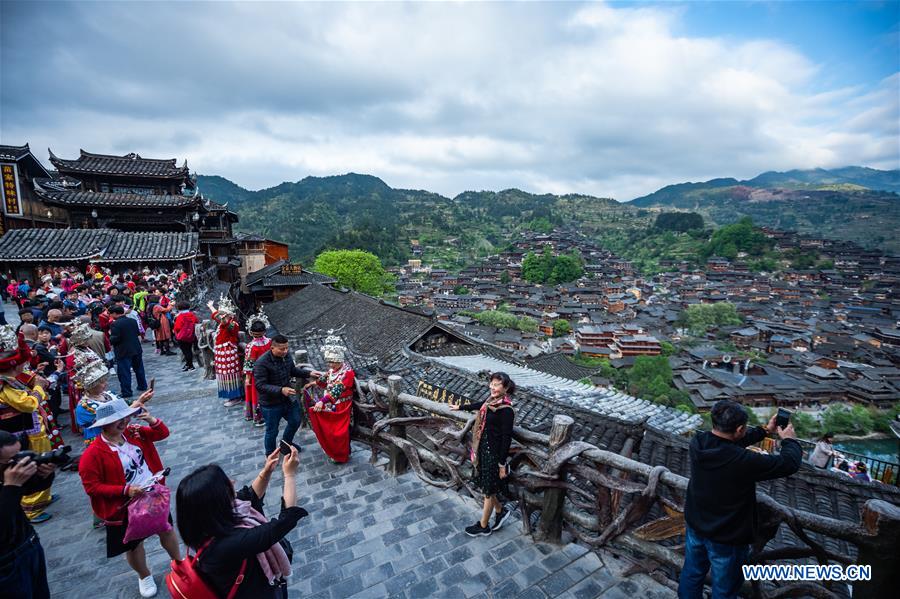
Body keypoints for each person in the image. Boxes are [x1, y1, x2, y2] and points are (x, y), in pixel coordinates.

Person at [678, 399, 801, 599]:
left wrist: (763, 430)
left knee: (692, 574)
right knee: (725, 588)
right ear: (740, 428)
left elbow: (726, 443)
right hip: (727, 537)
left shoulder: (698, 443)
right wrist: (789, 440)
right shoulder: (743, 461)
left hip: (696, 525)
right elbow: (789, 464)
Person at [78, 396, 180, 598]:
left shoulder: (134, 433)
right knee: (134, 544)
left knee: (166, 530)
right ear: (105, 425)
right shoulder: (93, 454)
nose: (124, 421)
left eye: (125, 417)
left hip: (152, 495)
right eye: (119, 419)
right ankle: (144, 575)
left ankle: (179, 562)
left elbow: (162, 433)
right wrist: (125, 490)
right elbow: (92, 487)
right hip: (125, 506)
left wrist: (151, 420)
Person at [174, 447, 307, 598]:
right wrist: (289, 475)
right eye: (226, 483)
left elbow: (248, 496)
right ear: (217, 501)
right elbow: (285, 521)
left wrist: (267, 471)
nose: (232, 481)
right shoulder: (228, 544)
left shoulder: (205, 524)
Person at [0, 325, 58, 523]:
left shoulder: (12, 379)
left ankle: (44, 496)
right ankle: (32, 507)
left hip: (32, 427)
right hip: (25, 430)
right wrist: (39, 390)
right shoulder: (5, 385)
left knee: (43, 461)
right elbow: (28, 404)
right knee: (34, 463)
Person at [451, 371, 515, 536]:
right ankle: (500, 511)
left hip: (493, 454)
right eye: (491, 384)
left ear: (505, 387)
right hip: (482, 450)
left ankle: (483, 526)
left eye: (496, 385)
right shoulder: (490, 401)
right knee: (483, 483)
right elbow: (479, 405)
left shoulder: (506, 410)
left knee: (488, 490)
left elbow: (506, 439)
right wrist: (460, 407)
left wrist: (502, 464)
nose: (492, 388)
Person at [0, 430, 56, 598]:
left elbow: (29, 489)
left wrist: (45, 475)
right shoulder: (9, 479)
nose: (18, 464)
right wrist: (11, 486)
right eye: (11, 460)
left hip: (29, 545)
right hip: (6, 564)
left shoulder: (6, 473)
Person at [253, 335, 319, 457]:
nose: (285, 351)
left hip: (287, 399)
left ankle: (285, 444)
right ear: (272, 348)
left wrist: (308, 373)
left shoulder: (286, 356)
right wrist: (280, 389)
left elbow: (292, 370)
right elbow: (260, 385)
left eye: (287, 348)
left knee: (295, 421)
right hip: (270, 403)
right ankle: (271, 454)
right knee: (272, 431)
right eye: (282, 349)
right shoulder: (261, 363)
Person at [306, 334, 355, 463]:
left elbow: (337, 390)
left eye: (334, 362)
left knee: (339, 432)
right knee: (331, 430)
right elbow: (325, 379)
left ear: (340, 360)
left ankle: (342, 454)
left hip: (341, 405)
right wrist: (315, 383)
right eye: (329, 362)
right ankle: (333, 451)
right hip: (330, 403)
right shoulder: (333, 370)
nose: (331, 365)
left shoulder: (347, 373)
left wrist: (322, 401)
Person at [208, 296, 243, 407]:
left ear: (229, 315)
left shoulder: (233, 324)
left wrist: (224, 320)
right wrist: (211, 306)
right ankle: (230, 395)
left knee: (230, 375)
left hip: (228, 354)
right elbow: (217, 316)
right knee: (224, 375)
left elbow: (226, 324)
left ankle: (235, 396)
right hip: (222, 353)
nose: (221, 316)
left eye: (224, 314)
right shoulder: (224, 321)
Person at [108, 305, 147, 399]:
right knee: (139, 369)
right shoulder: (132, 321)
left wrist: (110, 336)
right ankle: (142, 385)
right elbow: (137, 332)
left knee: (124, 372)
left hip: (123, 351)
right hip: (136, 348)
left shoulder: (115, 324)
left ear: (115, 313)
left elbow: (115, 339)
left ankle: (126, 391)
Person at [243, 309, 272, 426]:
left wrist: (248, 377)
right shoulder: (269, 342)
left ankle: (261, 416)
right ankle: (259, 416)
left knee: (261, 395)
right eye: (256, 335)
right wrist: (248, 378)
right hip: (263, 373)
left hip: (261, 374)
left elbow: (248, 364)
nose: (258, 337)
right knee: (262, 394)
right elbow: (250, 364)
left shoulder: (251, 346)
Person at [172, 301, 199, 372]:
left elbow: (177, 327)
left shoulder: (180, 316)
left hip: (182, 336)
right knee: (189, 350)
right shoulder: (192, 315)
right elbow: (196, 321)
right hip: (190, 335)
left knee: (185, 351)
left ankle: (191, 366)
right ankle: (188, 364)